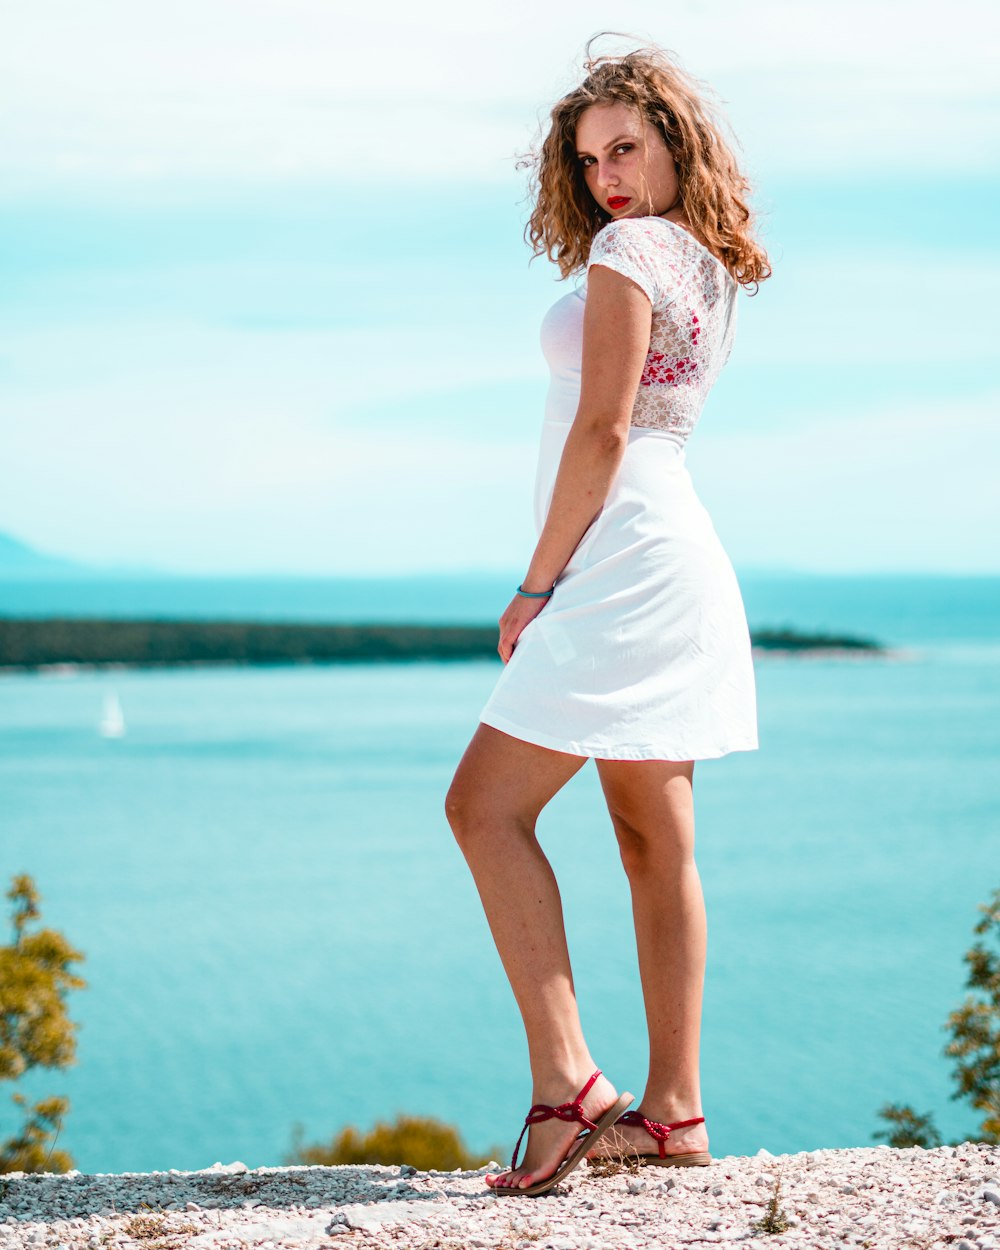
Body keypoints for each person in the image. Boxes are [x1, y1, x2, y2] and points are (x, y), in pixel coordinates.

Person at [445, 39, 772, 1198]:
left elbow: (601, 430)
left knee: (481, 807)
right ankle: (672, 1113)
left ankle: (568, 1086)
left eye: (625, 147)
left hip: (618, 555)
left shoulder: (632, 251)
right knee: (652, 837)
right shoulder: (707, 261)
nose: (606, 177)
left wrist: (536, 585)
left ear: (675, 141)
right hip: (670, 546)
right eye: (588, 160)